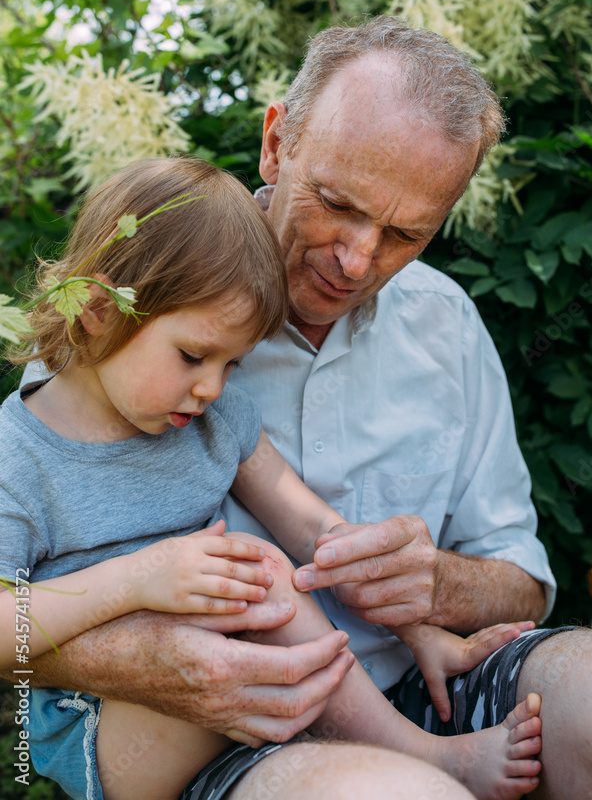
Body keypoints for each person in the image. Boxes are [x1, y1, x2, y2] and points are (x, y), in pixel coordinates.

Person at [6, 17, 592, 800]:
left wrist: (431, 596)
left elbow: (514, 578)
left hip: (431, 689)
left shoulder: (446, 321)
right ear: (276, 144)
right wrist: (140, 637)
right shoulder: (142, 307)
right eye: (336, 203)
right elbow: (32, 596)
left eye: (404, 233)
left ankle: (428, 750)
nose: (356, 259)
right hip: (222, 722)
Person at [0, 156, 543, 800]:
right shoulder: (19, 457)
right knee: (252, 572)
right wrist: (138, 579)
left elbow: (314, 527)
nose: (210, 387)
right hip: (107, 730)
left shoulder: (211, 415)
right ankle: (426, 756)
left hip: (245, 697)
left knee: (263, 567)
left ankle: (389, 758)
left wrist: (415, 626)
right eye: (193, 355)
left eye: (233, 365)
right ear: (95, 308)